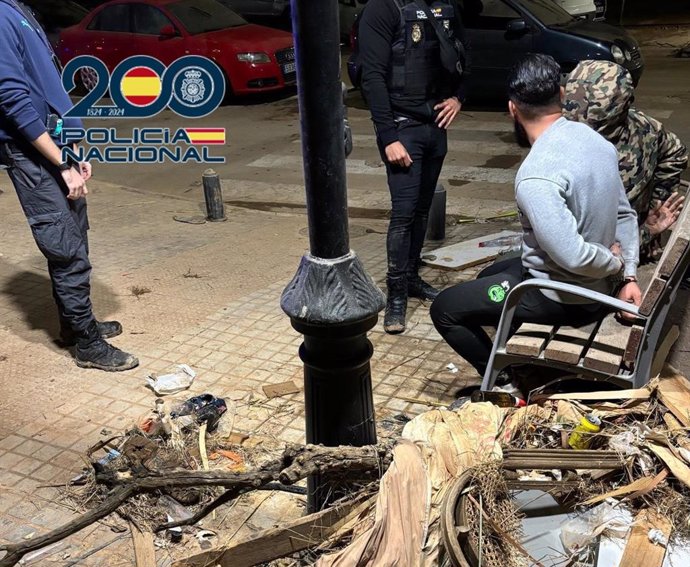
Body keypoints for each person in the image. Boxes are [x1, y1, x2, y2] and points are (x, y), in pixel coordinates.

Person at [430, 53, 641, 379]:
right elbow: (626, 215)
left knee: (444, 309)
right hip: (589, 280)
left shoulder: (536, 176)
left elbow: (574, 256)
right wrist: (628, 274)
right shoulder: (596, 141)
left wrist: (616, 266)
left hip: (566, 297)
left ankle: (502, 381)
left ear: (512, 108)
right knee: (489, 273)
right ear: (560, 95)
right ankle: (515, 355)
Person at [0, 0, 138, 371]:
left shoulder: (18, 9)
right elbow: (11, 98)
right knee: (65, 247)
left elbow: (46, 85)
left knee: (76, 236)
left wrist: (73, 145)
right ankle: (87, 347)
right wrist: (61, 162)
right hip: (30, 151)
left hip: (56, 144)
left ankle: (77, 326)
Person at [359, 0, 470, 334]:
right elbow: (372, 77)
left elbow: (464, 54)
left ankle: (410, 278)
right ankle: (395, 294)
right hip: (402, 126)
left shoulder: (445, 5)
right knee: (404, 213)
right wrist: (388, 137)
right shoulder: (383, 8)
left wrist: (459, 97)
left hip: (435, 125)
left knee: (422, 209)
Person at [563, 60, 688, 263]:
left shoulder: (645, 129)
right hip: (595, 266)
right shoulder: (560, 148)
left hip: (627, 250)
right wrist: (647, 233)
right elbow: (580, 254)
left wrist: (655, 206)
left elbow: (675, 153)